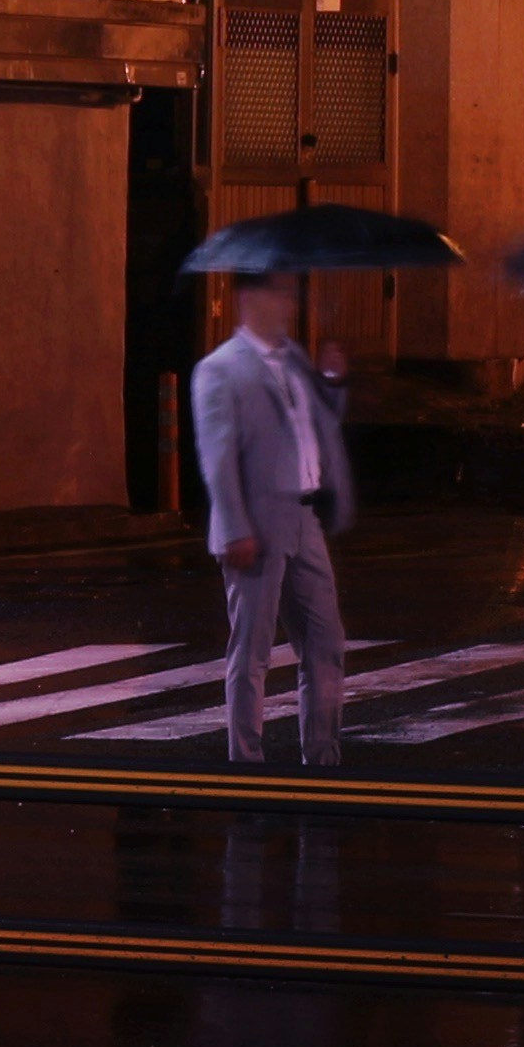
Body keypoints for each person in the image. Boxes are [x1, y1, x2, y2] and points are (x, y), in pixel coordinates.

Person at [192, 272, 355, 764]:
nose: (288, 303)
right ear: (247, 299)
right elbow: (217, 457)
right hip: (256, 522)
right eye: (277, 293)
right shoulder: (220, 369)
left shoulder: (295, 359)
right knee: (252, 651)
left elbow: (320, 425)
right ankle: (246, 762)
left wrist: (332, 380)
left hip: (304, 518)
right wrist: (235, 527)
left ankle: (323, 759)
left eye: (289, 293)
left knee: (326, 644)